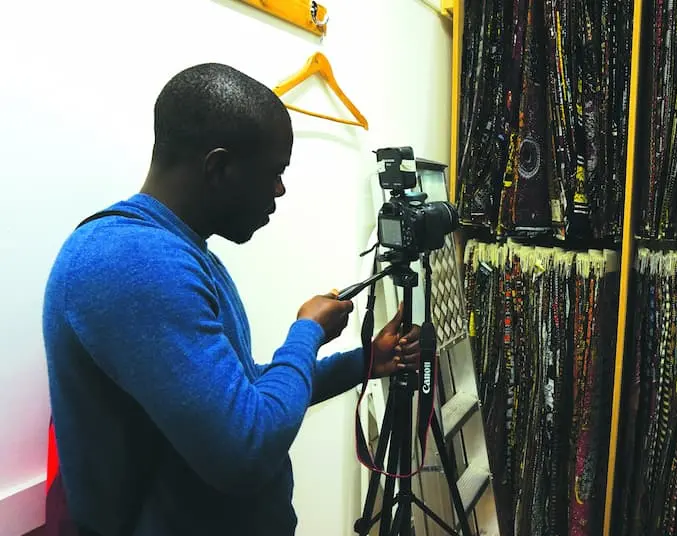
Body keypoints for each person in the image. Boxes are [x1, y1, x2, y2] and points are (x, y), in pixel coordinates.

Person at [41, 63, 419, 536]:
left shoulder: (180, 251)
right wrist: (306, 333)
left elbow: (238, 396)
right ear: (218, 167)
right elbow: (245, 448)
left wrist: (364, 362)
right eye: (274, 173)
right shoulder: (136, 262)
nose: (280, 190)